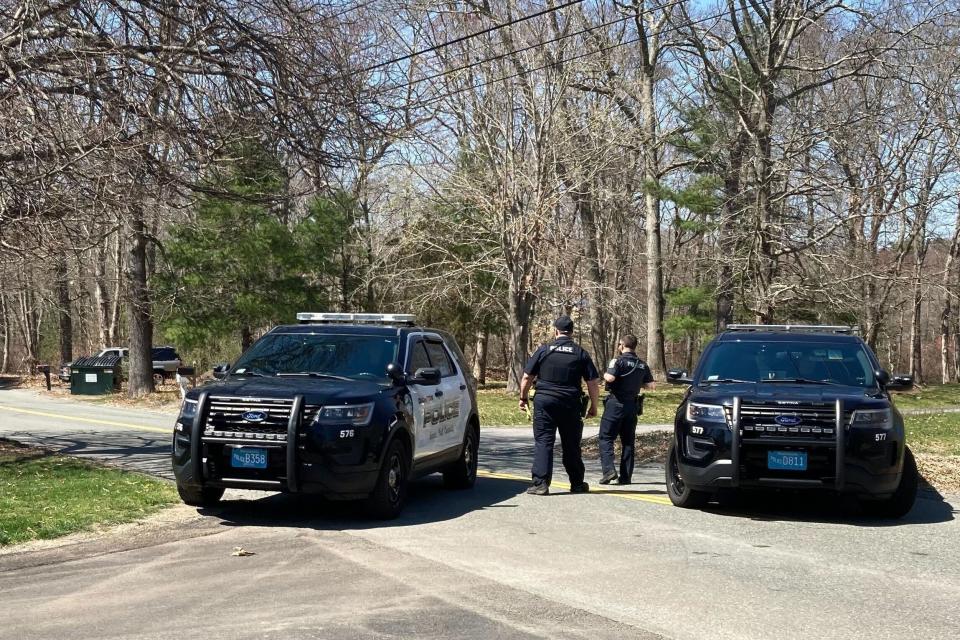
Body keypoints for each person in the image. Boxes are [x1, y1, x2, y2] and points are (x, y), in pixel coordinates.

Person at [518, 316, 600, 496]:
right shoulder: (580, 353)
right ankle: (577, 483)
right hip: (570, 403)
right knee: (571, 444)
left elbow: (526, 377)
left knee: (544, 442)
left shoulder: (544, 351)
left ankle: (540, 484)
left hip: (545, 402)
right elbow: (592, 382)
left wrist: (523, 398)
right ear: (571, 332)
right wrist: (594, 406)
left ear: (555, 331)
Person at [598, 334, 654, 485]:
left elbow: (610, 378)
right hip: (632, 406)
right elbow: (650, 386)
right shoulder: (642, 364)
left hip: (615, 404)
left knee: (606, 438)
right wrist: (635, 383)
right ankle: (626, 476)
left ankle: (609, 470)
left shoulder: (618, 360)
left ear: (622, 345)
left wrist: (604, 374)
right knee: (628, 442)